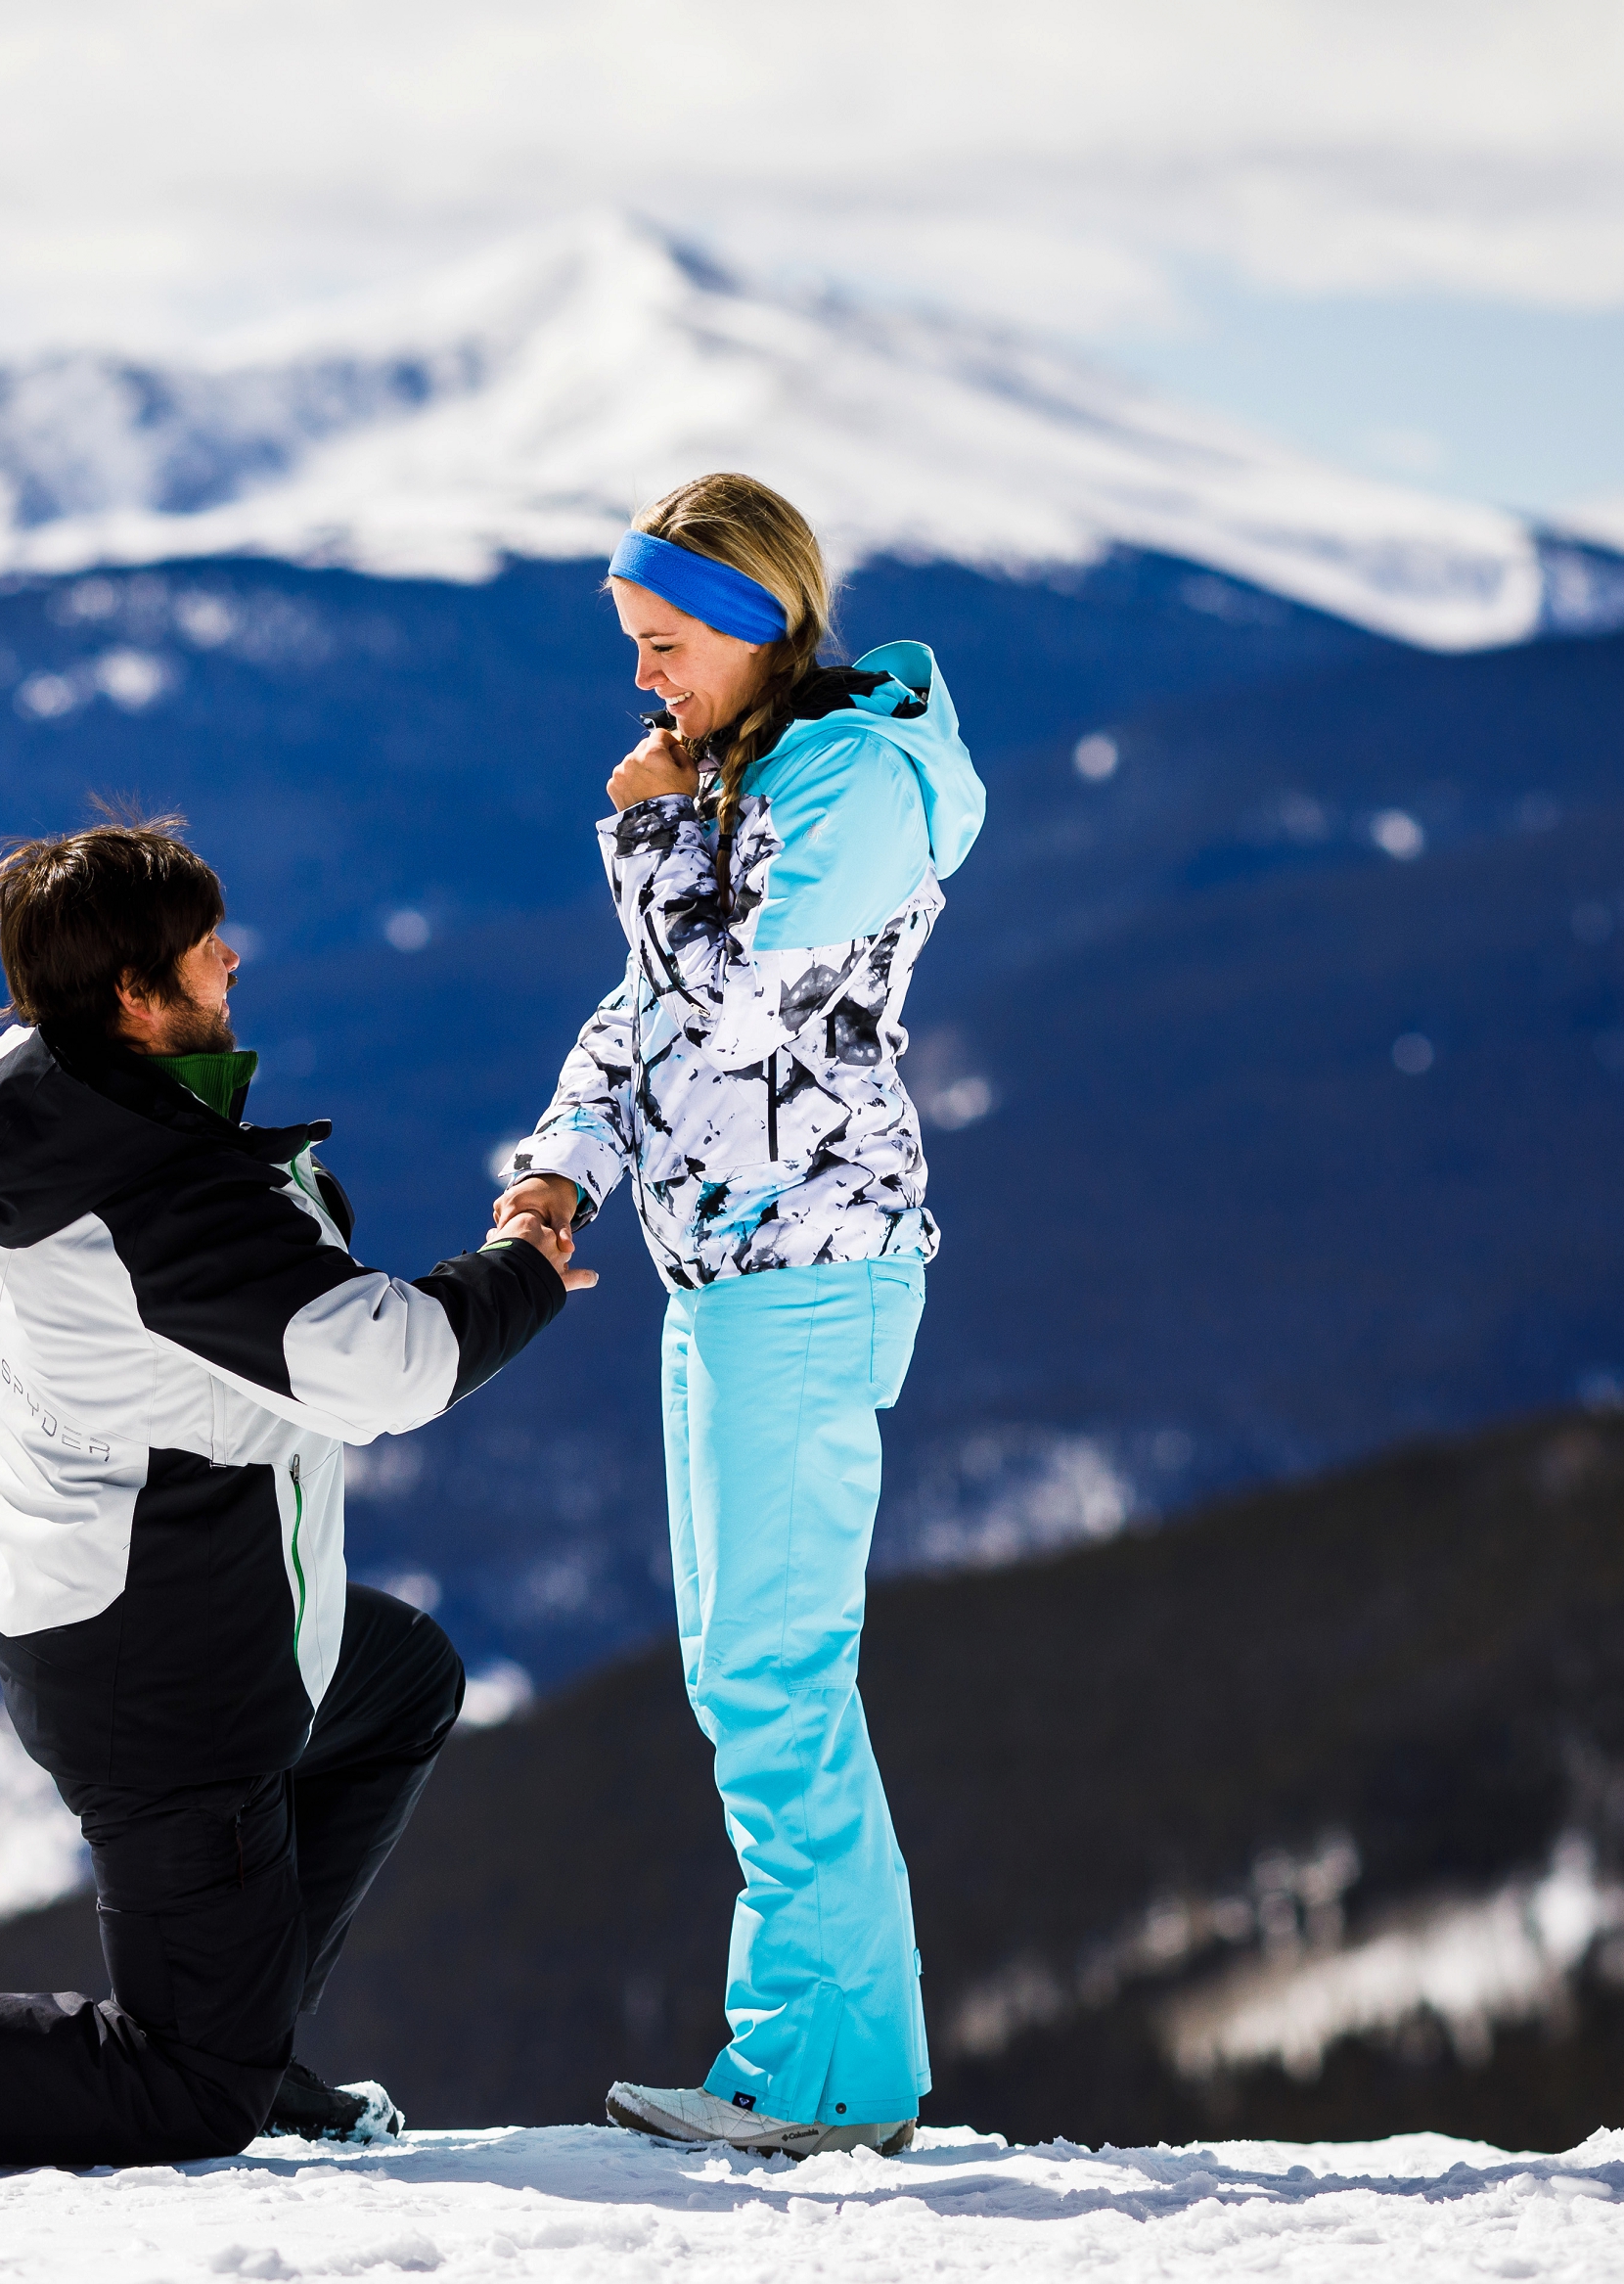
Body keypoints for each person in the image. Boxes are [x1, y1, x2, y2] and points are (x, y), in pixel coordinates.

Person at [0, 816, 589, 2190]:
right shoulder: (151, 1200)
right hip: (168, 1670)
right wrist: (517, 1263)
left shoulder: (40, 1090)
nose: (230, 955)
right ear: (133, 1001)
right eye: (200, 947)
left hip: (158, 1607)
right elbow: (384, 1360)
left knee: (402, 1681)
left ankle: (251, 2037)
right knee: (185, 2088)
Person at [494, 473, 985, 2159]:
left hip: (807, 1277)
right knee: (750, 1678)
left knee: (777, 1675)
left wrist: (640, 826)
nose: (646, 678)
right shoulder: (748, 771)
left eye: (667, 642)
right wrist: (562, 1165)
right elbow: (647, 1013)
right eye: (633, 644)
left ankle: (820, 2081)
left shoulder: (846, 783)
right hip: (735, 1280)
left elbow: (732, 987)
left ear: (764, 620)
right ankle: (831, 2064)